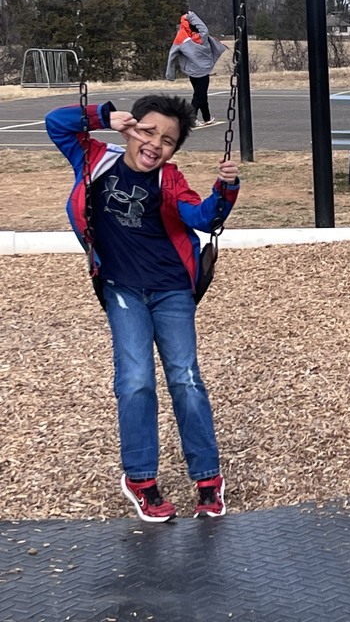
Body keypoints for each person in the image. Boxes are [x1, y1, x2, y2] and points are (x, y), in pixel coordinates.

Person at [45, 95, 240, 522]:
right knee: (135, 380)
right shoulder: (95, 157)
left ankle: (207, 478)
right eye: (147, 131)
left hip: (171, 290)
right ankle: (141, 479)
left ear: (174, 151)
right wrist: (100, 117)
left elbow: (204, 217)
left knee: (185, 377)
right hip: (122, 289)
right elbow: (56, 123)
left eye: (168, 140)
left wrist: (225, 188)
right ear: (129, 130)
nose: (154, 144)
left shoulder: (170, 180)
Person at [166, 10, 227, 126]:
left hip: (192, 71)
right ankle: (191, 117)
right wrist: (191, 16)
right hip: (203, 70)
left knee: (201, 93)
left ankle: (207, 117)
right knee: (199, 95)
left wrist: (170, 73)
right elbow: (203, 28)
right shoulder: (202, 37)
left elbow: (172, 54)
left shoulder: (181, 39)